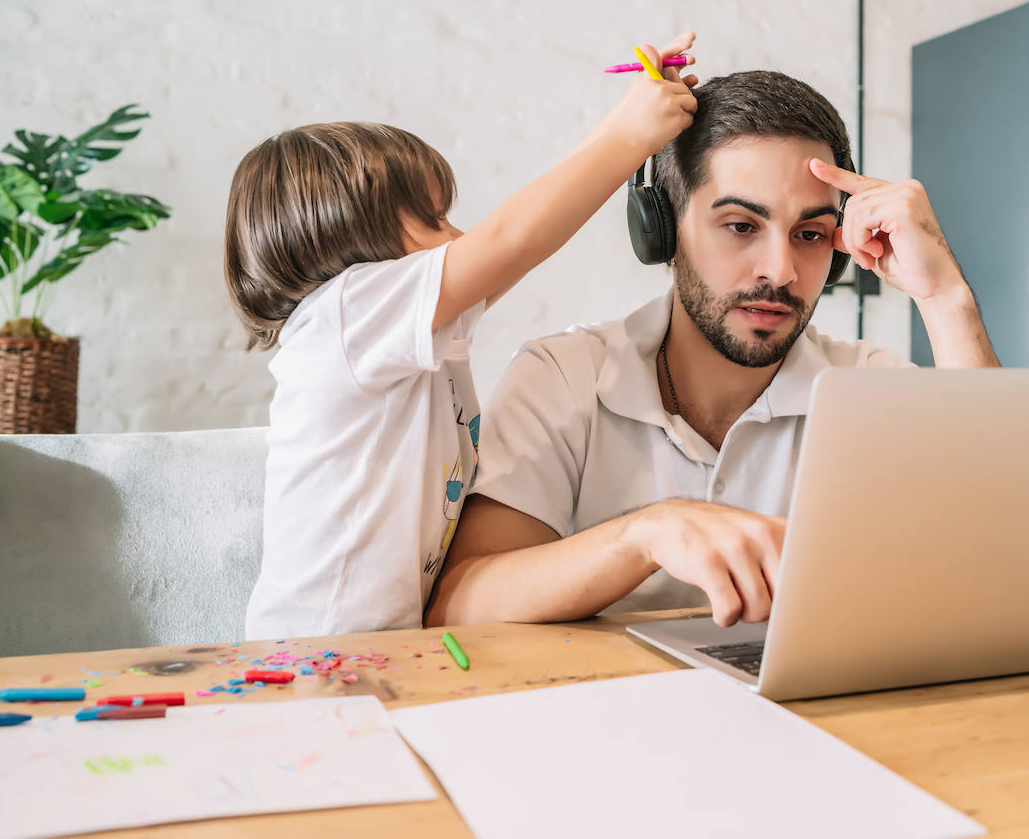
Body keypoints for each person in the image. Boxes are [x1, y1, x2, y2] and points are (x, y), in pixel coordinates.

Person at [427, 69, 999, 630]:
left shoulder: (866, 386)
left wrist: (945, 297)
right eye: (741, 225)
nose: (780, 270)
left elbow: (997, 552)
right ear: (664, 232)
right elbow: (462, 601)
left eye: (810, 234)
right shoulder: (564, 377)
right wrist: (648, 534)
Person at [226, 35, 699, 638]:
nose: (458, 235)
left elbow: (516, 247)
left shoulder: (397, 333)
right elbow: (511, 240)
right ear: (345, 231)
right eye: (433, 218)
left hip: (392, 646)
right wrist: (631, 136)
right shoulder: (345, 316)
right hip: (312, 649)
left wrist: (625, 121)